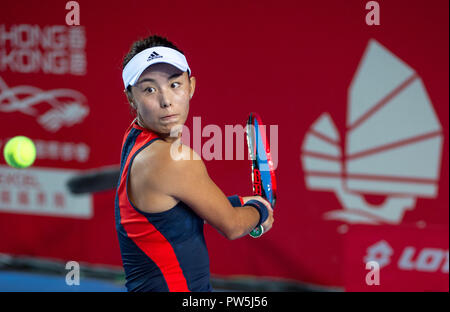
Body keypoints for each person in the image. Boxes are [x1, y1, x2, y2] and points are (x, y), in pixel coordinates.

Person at [115, 35, 274, 292]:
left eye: (174, 84)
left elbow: (176, 215)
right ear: (131, 98)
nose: (166, 101)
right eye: (149, 89)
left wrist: (241, 205)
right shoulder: (171, 158)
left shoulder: (136, 137)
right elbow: (232, 225)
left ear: (191, 86)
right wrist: (261, 211)